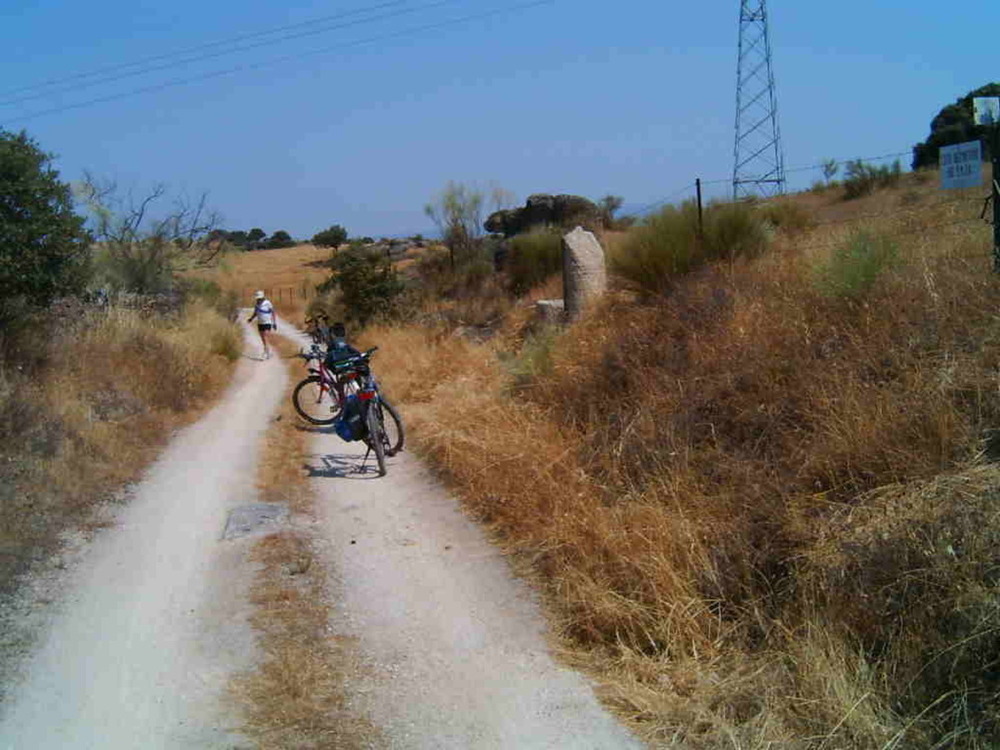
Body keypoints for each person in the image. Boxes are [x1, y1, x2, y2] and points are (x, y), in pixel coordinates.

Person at [247, 290, 276, 359]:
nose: (258, 299)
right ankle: (268, 351)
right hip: (260, 323)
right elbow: (255, 313)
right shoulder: (257, 305)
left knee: (265, 337)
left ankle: (265, 352)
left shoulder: (267, 303)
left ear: (262, 297)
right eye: (257, 298)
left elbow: (273, 312)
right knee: (263, 338)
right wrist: (251, 319)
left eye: (259, 298)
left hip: (267, 322)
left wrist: (274, 322)